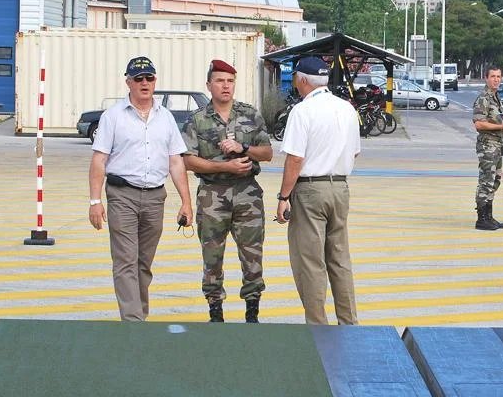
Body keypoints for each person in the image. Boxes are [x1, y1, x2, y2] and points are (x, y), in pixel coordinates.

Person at [88, 56, 192, 322]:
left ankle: (138, 317)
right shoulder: (112, 117)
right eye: (139, 78)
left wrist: (186, 202)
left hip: (156, 196)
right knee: (125, 261)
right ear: (128, 82)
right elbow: (99, 160)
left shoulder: (165, 117)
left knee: (143, 264)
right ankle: (134, 323)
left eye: (150, 77)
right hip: (122, 195)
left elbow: (176, 161)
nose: (145, 83)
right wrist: (94, 201)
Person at [182, 59, 273, 323]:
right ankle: (215, 310)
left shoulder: (250, 114)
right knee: (212, 254)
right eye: (220, 80)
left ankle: (253, 310)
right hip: (212, 193)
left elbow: (266, 153)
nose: (225, 86)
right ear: (209, 85)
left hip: (247, 194)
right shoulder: (197, 120)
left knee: (252, 253)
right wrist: (225, 166)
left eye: (230, 81)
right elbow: (188, 160)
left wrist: (243, 149)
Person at [276, 56, 360, 325]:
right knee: (339, 259)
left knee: (310, 262)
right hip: (341, 188)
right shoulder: (347, 108)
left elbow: (295, 159)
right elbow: (354, 151)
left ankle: (317, 326)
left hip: (310, 191)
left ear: (302, 80)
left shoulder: (302, 111)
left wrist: (283, 197)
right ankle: (349, 323)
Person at [471, 66, 503, 231]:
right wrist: (501, 125)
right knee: (486, 180)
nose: (496, 79)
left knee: (495, 180)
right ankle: (481, 218)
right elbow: (478, 123)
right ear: (486, 78)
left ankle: (489, 216)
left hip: (497, 145)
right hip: (488, 145)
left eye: (499, 76)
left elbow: (496, 119)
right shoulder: (484, 98)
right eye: (493, 76)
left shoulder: (496, 97)